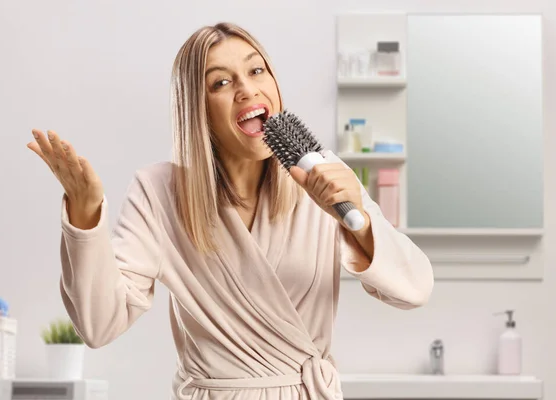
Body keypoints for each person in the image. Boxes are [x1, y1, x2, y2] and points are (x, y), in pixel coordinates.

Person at [27, 22, 433, 400]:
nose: (246, 89)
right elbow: (99, 324)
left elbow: (415, 289)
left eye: (257, 71)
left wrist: (357, 223)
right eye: (221, 82)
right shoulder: (160, 193)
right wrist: (84, 215)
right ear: (197, 111)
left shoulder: (324, 177)